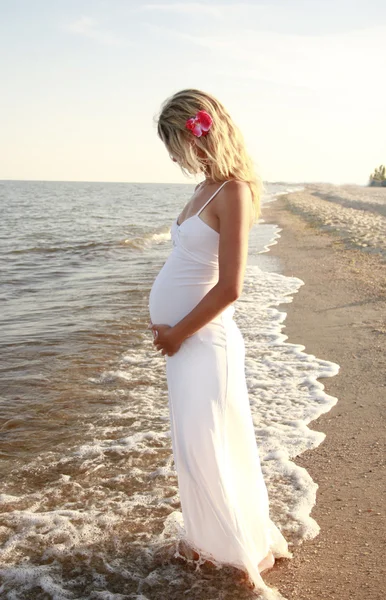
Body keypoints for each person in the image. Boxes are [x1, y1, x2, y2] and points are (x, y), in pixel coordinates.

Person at [148, 89, 291, 595]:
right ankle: (209, 540)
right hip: (185, 345)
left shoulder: (233, 191)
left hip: (203, 343)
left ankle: (236, 552)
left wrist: (177, 333)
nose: (170, 156)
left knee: (210, 445)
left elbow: (231, 287)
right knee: (195, 445)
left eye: (172, 143)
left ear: (197, 134)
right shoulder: (204, 187)